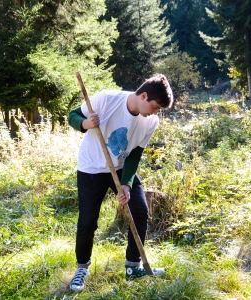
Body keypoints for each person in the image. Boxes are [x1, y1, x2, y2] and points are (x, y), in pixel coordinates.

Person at [67, 74, 173, 293]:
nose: (155, 112)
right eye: (155, 107)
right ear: (144, 96)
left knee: (140, 211)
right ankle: (82, 268)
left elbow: (135, 154)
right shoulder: (107, 99)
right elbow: (73, 115)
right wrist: (85, 123)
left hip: (122, 167)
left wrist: (125, 183)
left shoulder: (151, 120)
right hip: (92, 168)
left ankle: (133, 267)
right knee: (88, 221)